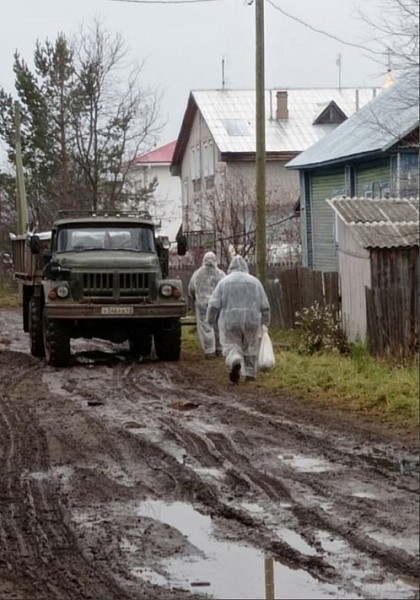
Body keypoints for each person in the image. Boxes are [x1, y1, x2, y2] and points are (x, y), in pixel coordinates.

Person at [207, 255, 270, 383]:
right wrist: (265, 323)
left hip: (230, 320)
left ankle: (235, 359)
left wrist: (210, 319)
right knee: (251, 346)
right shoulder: (255, 282)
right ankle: (250, 374)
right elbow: (265, 306)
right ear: (246, 266)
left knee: (231, 345)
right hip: (252, 320)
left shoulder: (224, 282)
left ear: (231, 267)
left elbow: (213, 304)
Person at [188, 251, 226, 358]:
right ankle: (220, 349)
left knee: (206, 327)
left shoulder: (197, 273)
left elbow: (191, 288)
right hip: (217, 304)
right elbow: (226, 289)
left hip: (202, 304)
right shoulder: (221, 274)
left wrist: (194, 298)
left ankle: (210, 351)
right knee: (218, 325)